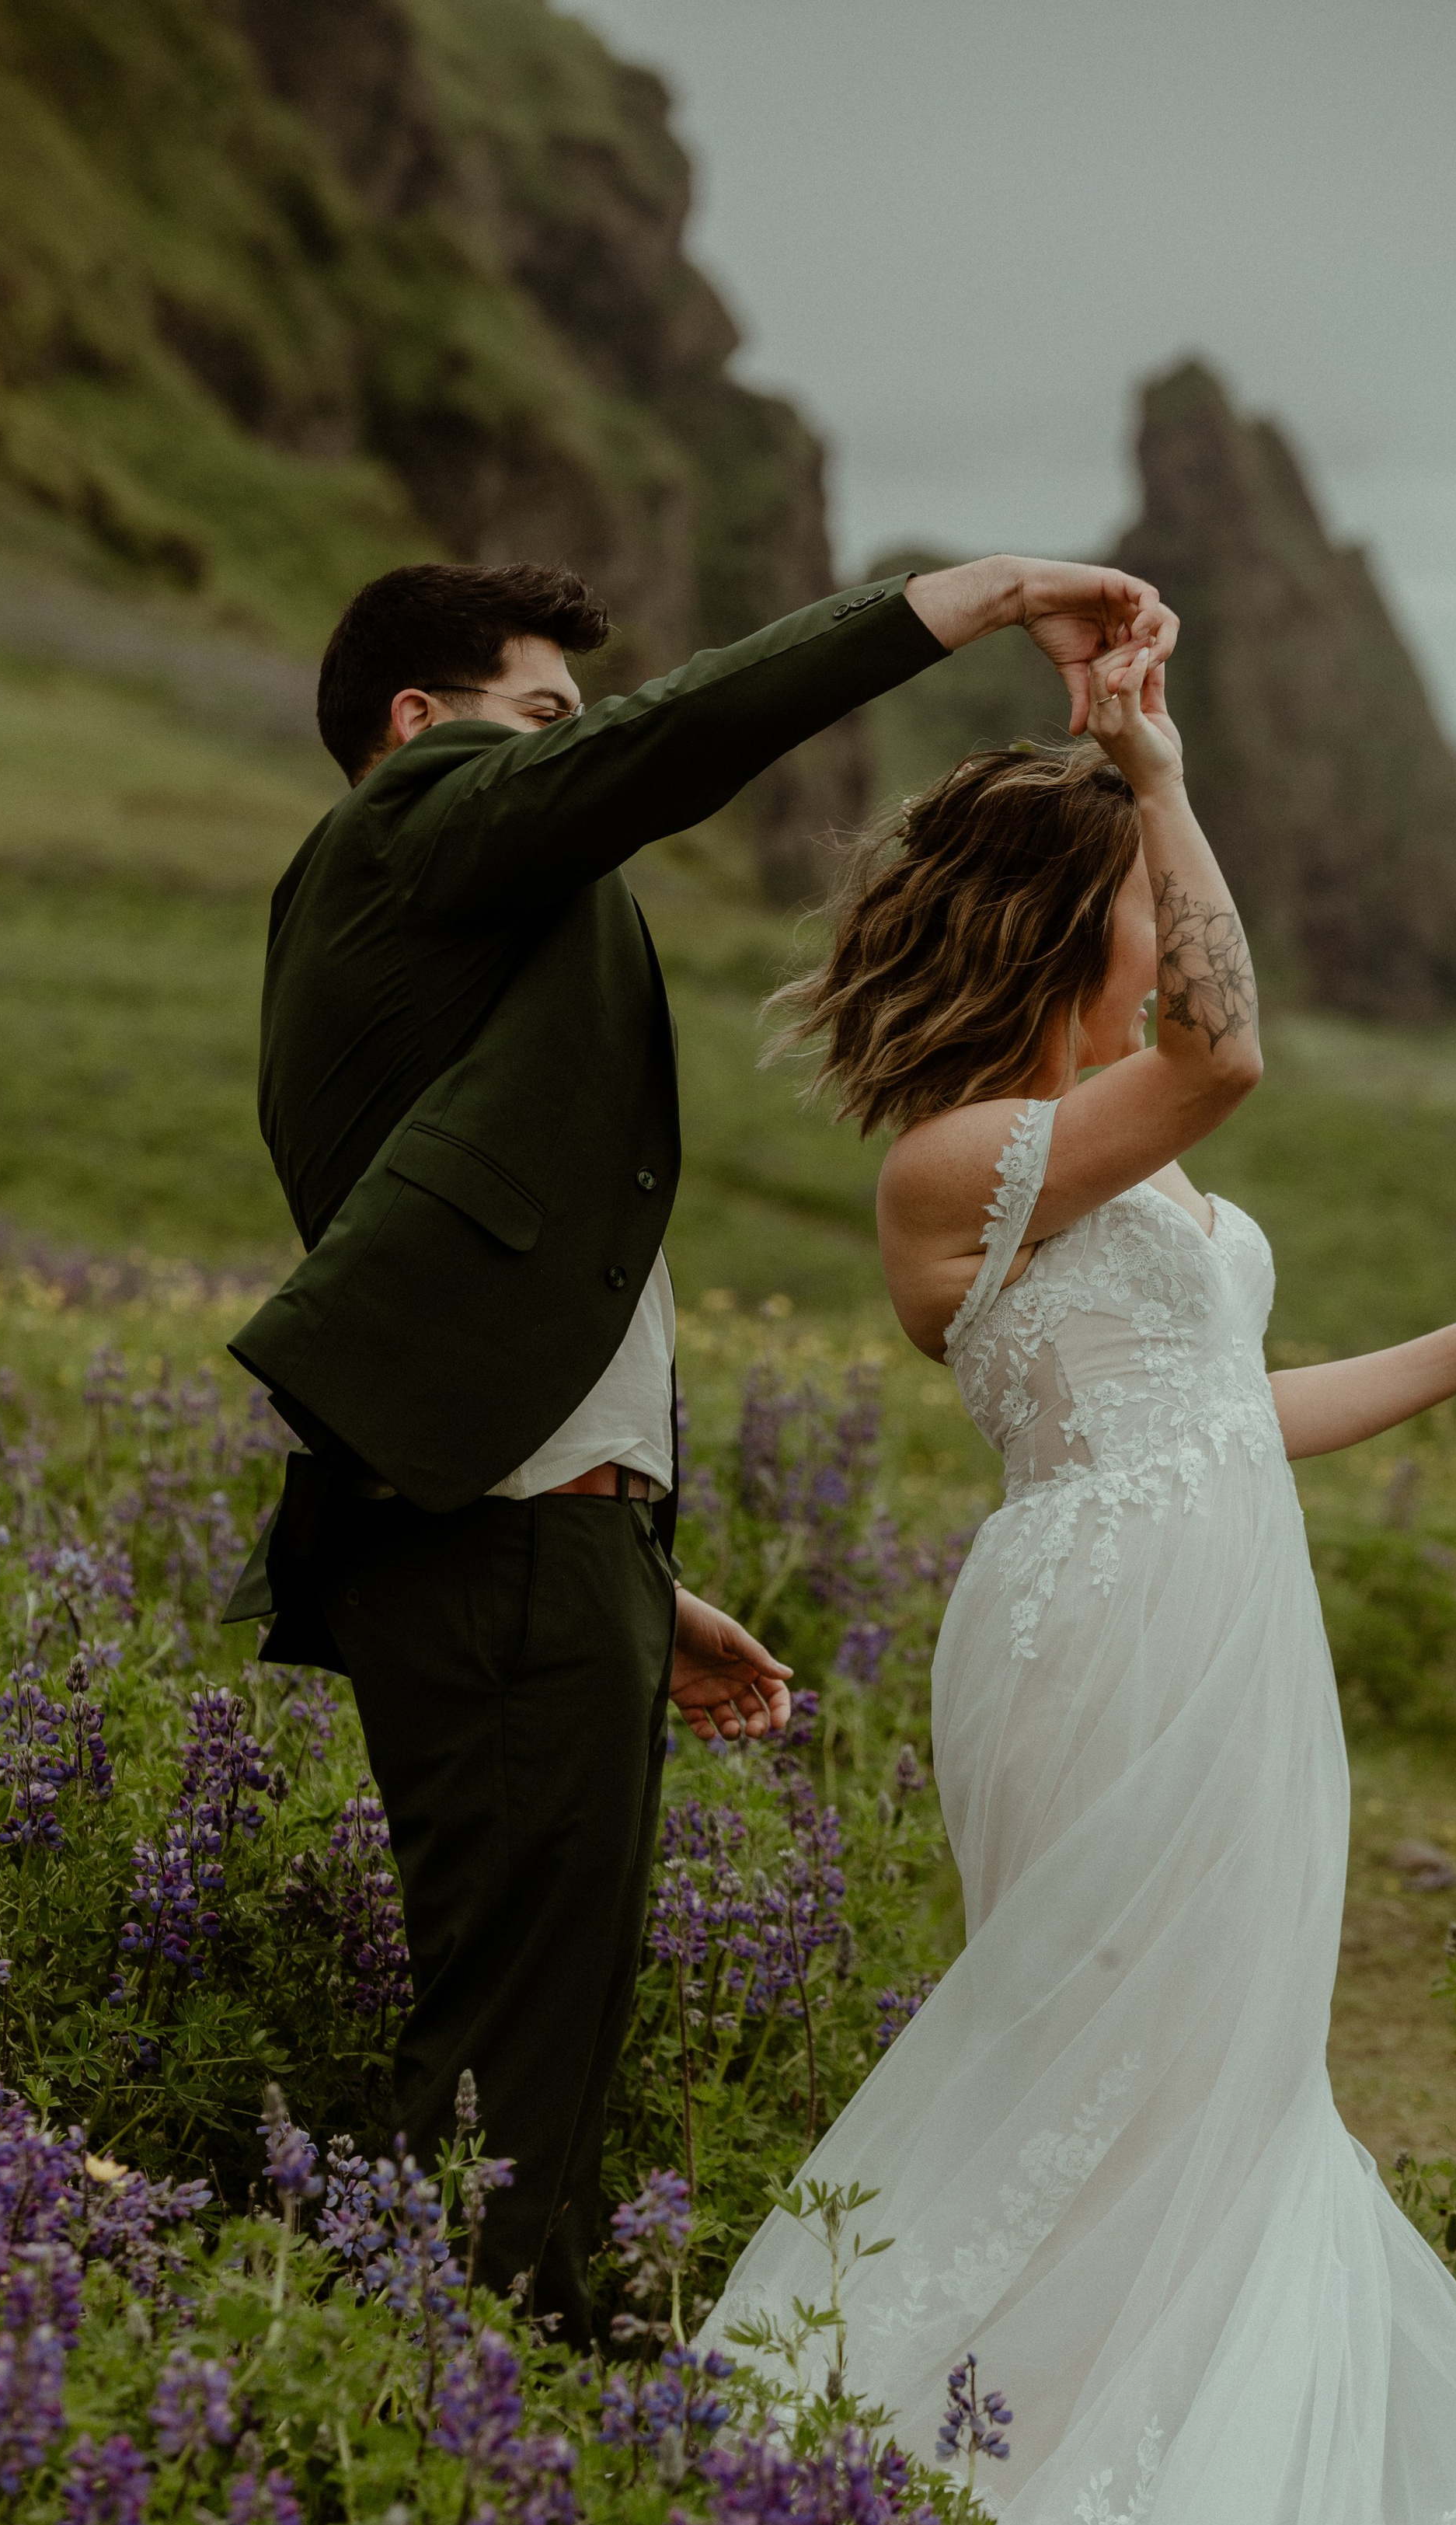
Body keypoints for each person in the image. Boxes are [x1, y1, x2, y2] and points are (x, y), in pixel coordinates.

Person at [710, 641, 1456, 2525]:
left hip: (1229, 1620)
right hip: (1104, 1642)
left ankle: (1169, 2502)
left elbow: (1232, 1404)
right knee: (1125, 2075)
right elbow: (1228, 1048)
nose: (1172, 921)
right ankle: (1027, 2522)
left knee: (1229, 2089)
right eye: (1140, 889)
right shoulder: (963, 1162)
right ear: (1074, 920)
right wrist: (1161, 766)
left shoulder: (1105, 1151)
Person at [222, 549, 1178, 2343]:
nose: (566, 756)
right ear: (419, 731)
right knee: (515, 2014)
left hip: (533, 1529)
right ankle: (457, 2384)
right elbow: (674, 744)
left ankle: (509, 2358)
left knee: (551, 1998)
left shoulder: (449, 924)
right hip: (496, 1534)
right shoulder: (405, 832)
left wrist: (630, 1563)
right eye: (535, 719)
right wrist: (953, 604)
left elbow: (489, 1262)